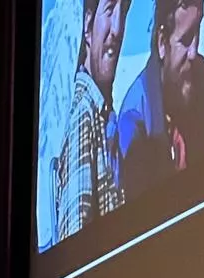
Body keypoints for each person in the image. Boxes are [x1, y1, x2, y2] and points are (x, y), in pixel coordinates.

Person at [116, 0, 204, 197]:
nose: (194, 53)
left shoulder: (199, 74)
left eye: (197, 33)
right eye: (185, 40)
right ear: (162, 42)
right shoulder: (134, 118)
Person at [52, 0, 132, 241]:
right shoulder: (83, 118)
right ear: (88, 25)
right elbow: (74, 245)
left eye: (123, 13)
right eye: (109, 10)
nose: (117, 28)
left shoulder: (101, 115)